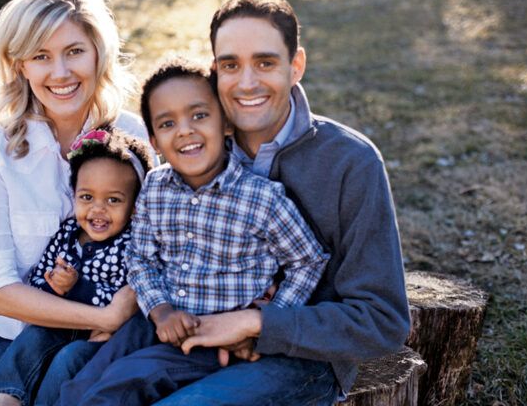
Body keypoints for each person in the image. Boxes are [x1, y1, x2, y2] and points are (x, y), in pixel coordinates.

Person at [154, 0, 411, 405]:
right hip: (191, 331)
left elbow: (383, 320)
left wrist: (254, 323)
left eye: (265, 62)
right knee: (77, 374)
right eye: (230, 65)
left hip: (303, 358)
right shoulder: (192, 147)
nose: (247, 82)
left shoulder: (351, 163)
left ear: (296, 66)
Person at [56, 59, 330, 405]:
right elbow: (140, 257)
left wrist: (264, 321)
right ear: (154, 140)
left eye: (199, 115)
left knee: (120, 387)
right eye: (168, 123)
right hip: (155, 321)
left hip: (209, 338)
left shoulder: (260, 198)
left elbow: (308, 260)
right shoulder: (155, 187)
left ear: (226, 122)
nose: (184, 130)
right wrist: (161, 310)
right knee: (84, 382)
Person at [0, 0, 151, 405]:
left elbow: (149, 245)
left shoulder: (131, 136)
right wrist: (103, 315)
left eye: (74, 52)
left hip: (96, 335)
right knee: (72, 379)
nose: (61, 73)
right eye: (41, 56)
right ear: (19, 65)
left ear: (97, 53)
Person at [0, 129, 154, 406]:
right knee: (34, 336)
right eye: (86, 197)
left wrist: (77, 287)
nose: (98, 209)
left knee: (68, 361)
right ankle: (6, 396)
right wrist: (53, 285)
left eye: (113, 200)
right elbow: (38, 281)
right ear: (73, 195)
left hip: (105, 339)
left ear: (134, 206)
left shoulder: (133, 243)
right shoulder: (67, 233)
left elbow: (128, 297)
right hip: (65, 322)